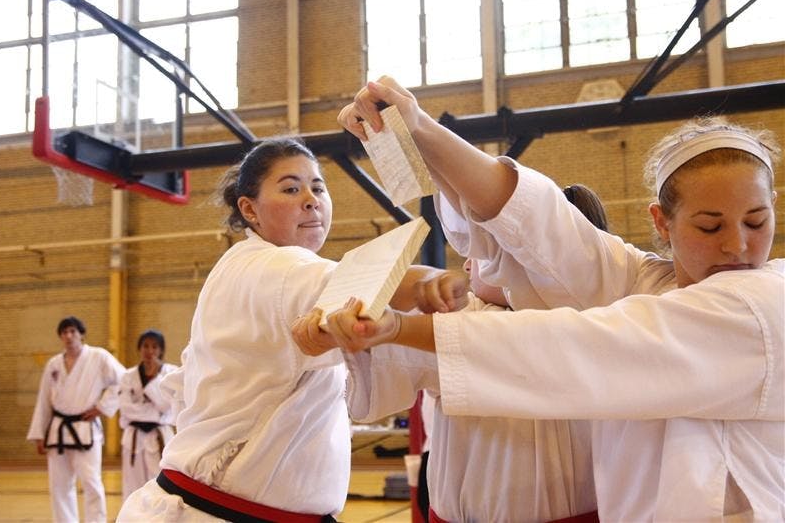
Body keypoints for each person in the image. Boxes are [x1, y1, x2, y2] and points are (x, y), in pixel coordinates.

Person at [315, 78, 783, 521]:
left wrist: (404, 328)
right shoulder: (641, 280)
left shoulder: (764, 305)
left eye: (757, 222)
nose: (737, 246)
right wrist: (420, 129)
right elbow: (537, 221)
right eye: (709, 226)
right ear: (662, 223)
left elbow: (579, 343)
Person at [117, 137, 458, 522]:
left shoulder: (256, 266)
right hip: (218, 511)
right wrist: (431, 284)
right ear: (250, 209)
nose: (311, 199)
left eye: (318, 187)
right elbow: (364, 285)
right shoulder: (270, 268)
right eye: (291, 189)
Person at [298, 189, 610, 522]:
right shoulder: (466, 312)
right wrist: (341, 325)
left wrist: (388, 324)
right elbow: (388, 351)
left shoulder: (587, 323)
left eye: (487, 251)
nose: (467, 262)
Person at [27, 316, 126, 523]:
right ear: (60, 337)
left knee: (91, 482)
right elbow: (44, 401)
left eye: (72, 331)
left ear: (81, 334)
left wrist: (101, 407)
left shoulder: (99, 357)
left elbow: (124, 381)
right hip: (58, 430)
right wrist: (39, 434)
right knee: (60, 486)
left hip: (85, 427)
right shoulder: (53, 364)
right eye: (64, 332)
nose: (68, 336)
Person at [118, 329, 177, 500]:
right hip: (134, 437)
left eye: (154, 346)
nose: (149, 351)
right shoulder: (128, 376)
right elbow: (126, 408)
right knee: (132, 486)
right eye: (145, 346)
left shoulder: (170, 373)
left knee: (161, 485)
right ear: (139, 348)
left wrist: (153, 384)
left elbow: (168, 406)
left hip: (160, 436)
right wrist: (155, 410)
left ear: (161, 350)